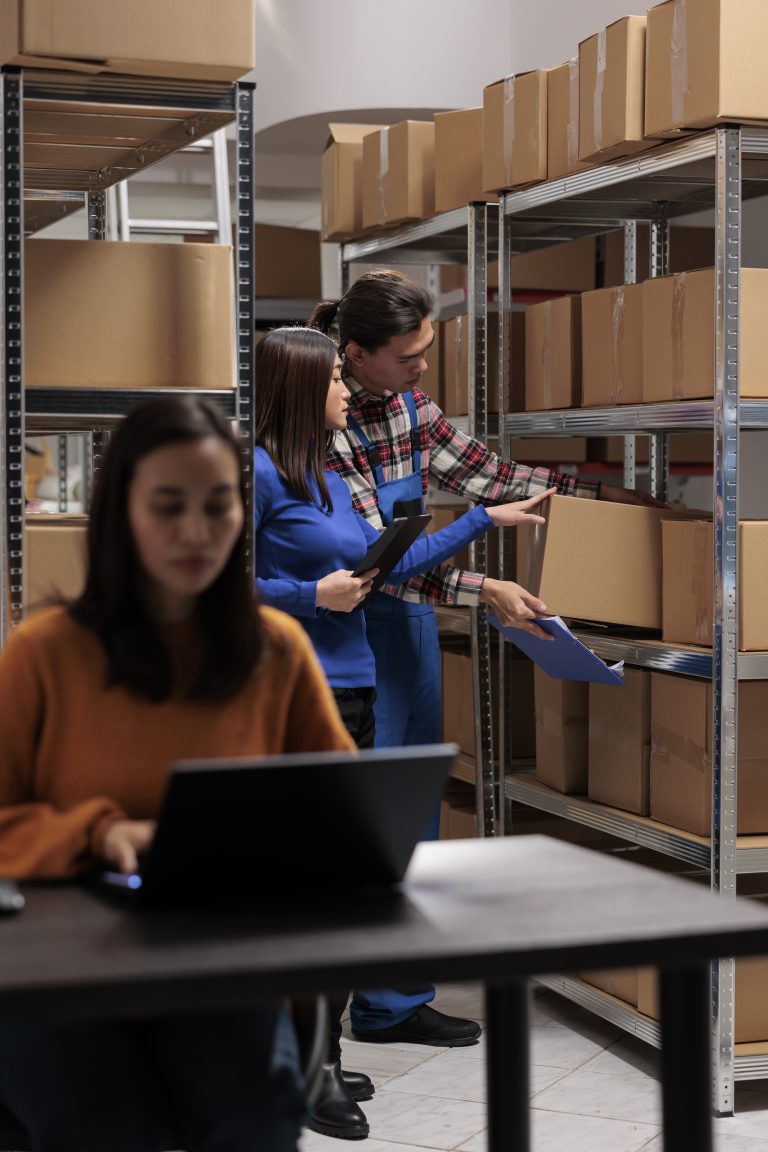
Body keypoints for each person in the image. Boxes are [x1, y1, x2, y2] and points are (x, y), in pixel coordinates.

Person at [309, 269, 660, 1048]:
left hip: (408, 633)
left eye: (427, 352)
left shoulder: (409, 406)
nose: (422, 369)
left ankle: (393, 999)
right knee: (368, 824)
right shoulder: (324, 430)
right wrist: (484, 587)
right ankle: (327, 1019)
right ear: (357, 353)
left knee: (416, 817)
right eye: (408, 357)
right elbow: (377, 563)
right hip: (354, 634)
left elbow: (493, 475)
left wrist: (607, 505)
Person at [0, 395, 356, 1152]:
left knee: (255, 1120)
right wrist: (98, 833)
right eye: (168, 506)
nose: (197, 532)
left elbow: (343, 808)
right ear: (120, 512)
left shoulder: (277, 649)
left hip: (222, 962)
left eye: (218, 505)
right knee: (99, 1127)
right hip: (64, 977)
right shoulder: (45, 652)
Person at [252, 325, 554, 1139]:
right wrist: (311, 598)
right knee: (314, 886)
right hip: (296, 691)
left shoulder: (324, 473)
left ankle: (319, 1045)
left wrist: (482, 523)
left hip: (354, 689)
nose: (353, 397)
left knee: (347, 877)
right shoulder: (258, 473)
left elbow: (389, 570)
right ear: (310, 379)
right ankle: (301, 1065)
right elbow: (220, 585)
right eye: (338, 382)